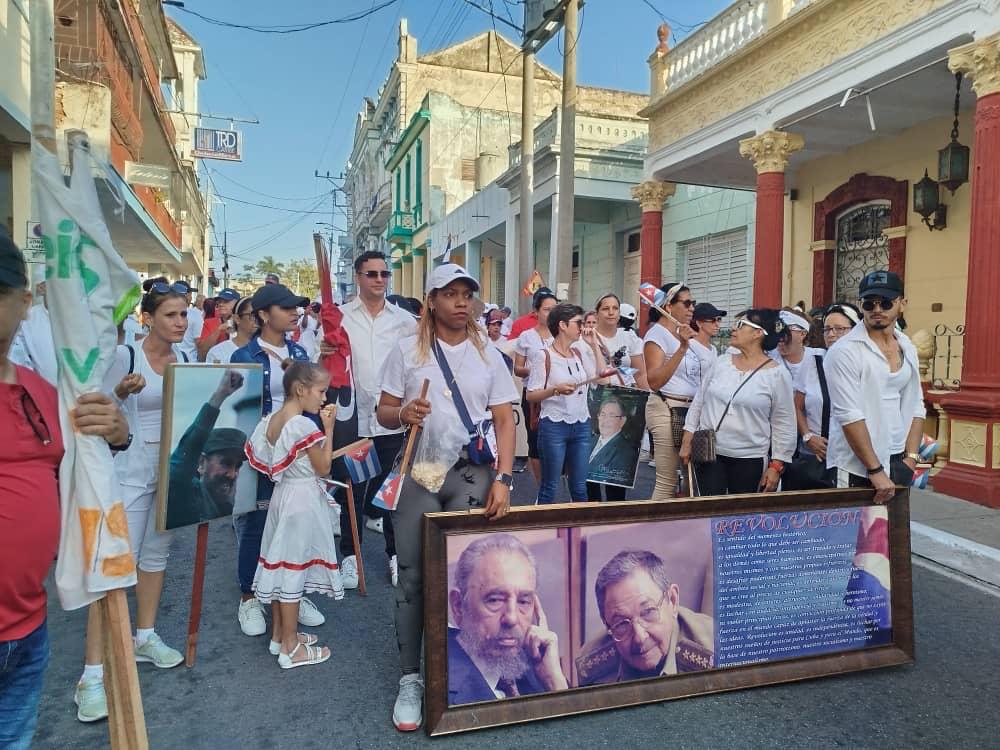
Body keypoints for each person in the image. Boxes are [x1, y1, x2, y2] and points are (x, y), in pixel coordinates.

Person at [0, 232, 130, 748]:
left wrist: (115, 430)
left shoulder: (42, 394)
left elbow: (83, 462)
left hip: (27, 633)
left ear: (23, 300)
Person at [375, 263, 516, 731]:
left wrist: (505, 478)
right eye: (450, 293)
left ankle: (451, 673)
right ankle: (411, 678)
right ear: (431, 300)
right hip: (419, 471)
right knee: (413, 575)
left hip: (471, 474)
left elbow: (504, 419)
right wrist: (405, 412)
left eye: (467, 294)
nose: (461, 302)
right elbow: (384, 410)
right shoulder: (406, 350)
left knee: (462, 579)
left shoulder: (488, 353)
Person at [75, 278, 193, 723]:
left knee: (156, 557)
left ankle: (145, 636)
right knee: (112, 569)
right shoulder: (124, 356)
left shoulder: (186, 358)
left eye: (184, 314)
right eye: (171, 315)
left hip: (170, 471)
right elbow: (95, 408)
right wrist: (121, 393)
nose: (180, 322)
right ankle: (91, 675)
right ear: (148, 319)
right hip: (127, 472)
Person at [231, 284, 323, 638]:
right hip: (261, 455)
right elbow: (236, 408)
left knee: (294, 524)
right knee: (258, 522)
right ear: (264, 314)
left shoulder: (300, 350)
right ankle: (250, 595)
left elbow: (312, 399)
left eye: (296, 308)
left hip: (297, 455)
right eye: (286, 308)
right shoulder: (244, 357)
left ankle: (293, 596)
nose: (294, 313)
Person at [246, 362, 344, 668]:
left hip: (283, 496)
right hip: (300, 499)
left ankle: (279, 636)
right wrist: (329, 428)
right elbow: (324, 467)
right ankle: (291, 647)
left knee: (281, 564)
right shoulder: (303, 425)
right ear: (300, 389)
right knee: (293, 569)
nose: (324, 398)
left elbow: (264, 459)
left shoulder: (274, 419)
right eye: (321, 391)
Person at [339, 250, 417, 588]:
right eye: (372, 274)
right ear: (358, 277)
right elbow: (319, 364)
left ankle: (395, 554)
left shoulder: (404, 321)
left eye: (384, 274)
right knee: (353, 493)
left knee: (391, 493)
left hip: (391, 421)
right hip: (354, 422)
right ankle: (349, 555)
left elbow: (416, 364)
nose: (379, 280)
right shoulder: (338, 318)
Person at [824, 271, 925, 503]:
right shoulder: (844, 351)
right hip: (856, 466)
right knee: (852, 536)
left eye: (886, 302)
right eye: (870, 303)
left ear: (902, 304)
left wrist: (910, 458)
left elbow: (916, 404)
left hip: (898, 458)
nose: (877, 309)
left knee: (891, 536)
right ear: (861, 306)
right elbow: (849, 416)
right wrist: (875, 470)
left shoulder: (906, 345)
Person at [680, 309, 797, 495]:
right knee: (707, 513)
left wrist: (776, 465)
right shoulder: (722, 363)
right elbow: (699, 402)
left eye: (741, 325)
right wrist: (687, 440)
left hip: (750, 459)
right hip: (710, 453)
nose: (733, 329)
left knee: (741, 518)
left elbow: (784, 423)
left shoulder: (777, 375)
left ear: (758, 333)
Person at [447, 534, 568, 704]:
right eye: (495, 600)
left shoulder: (537, 665)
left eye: (524, 601)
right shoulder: (439, 686)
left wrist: (554, 683)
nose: (511, 618)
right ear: (458, 606)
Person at [576, 550, 715, 686]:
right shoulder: (592, 664)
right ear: (607, 624)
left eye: (648, 612)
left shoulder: (717, 649)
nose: (639, 637)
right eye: (621, 624)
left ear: (672, 600)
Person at [525, 303, 610, 504]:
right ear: (562, 325)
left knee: (580, 487)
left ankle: (580, 532)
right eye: (578, 323)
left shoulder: (578, 353)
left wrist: (594, 345)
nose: (583, 327)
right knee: (550, 486)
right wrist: (556, 389)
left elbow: (603, 379)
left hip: (581, 424)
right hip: (554, 425)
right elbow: (531, 395)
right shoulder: (544, 355)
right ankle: (542, 531)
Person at [784, 302, 861, 490]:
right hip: (814, 456)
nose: (832, 335)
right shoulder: (813, 360)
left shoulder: (866, 365)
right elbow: (797, 406)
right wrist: (808, 436)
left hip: (851, 457)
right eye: (827, 329)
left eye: (840, 329)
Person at [165, 370, 248, 529]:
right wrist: (219, 396)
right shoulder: (187, 494)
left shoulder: (227, 506)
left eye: (237, 466)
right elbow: (185, 457)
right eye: (226, 463)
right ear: (201, 463)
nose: (232, 474)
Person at [642, 282, 700, 500]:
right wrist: (682, 348)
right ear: (668, 306)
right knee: (667, 480)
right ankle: (652, 532)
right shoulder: (656, 334)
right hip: (666, 408)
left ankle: (677, 530)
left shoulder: (684, 333)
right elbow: (654, 380)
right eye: (686, 303)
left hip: (689, 410)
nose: (691, 308)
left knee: (690, 479)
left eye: (693, 303)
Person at [513, 288, 558, 484]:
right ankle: (542, 487)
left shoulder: (564, 333)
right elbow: (518, 368)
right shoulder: (527, 337)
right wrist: (539, 370)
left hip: (559, 395)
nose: (552, 314)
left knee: (558, 440)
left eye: (555, 309)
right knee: (535, 440)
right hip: (534, 396)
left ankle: (556, 482)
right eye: (547, 309)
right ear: (536, 311)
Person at [9, 273, 57, 387]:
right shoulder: (25, 320)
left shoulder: (81, 318)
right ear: (42, 287)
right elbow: (18, 363)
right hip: (39, 397)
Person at [593, 294, 647, 390]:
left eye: (615, 308)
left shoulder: (629, 337)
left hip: (625, 395)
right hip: (597, 396)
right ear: (596, 314)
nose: (611, 312)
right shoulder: (586, 339)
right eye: (605, 309)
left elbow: (640, 374)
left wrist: (646, 397)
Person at [587, 396, 638, 492]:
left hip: (610, 498)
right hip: (587, 499)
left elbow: (618, 479)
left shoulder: (626, 451)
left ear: (622, 421)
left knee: (614, 493)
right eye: (603, 415)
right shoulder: (590, 441)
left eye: (612, 416)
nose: (606, 420)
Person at [205, 297, 257, 364]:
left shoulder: (268, 351)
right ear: (237, 318)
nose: (257, 320)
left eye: (259, 315)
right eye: (252, 315)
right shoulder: (217, 352)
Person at [196, 288, 240, 361]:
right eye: (219, 302)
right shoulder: (209, 323)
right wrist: (219, 329)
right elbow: (202, 354)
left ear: (237, 303)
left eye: (226, 301)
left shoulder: (244, 323)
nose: (221, 304)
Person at [689, 302, 725, 370]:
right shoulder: (689, 346)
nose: (717, 324)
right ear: (699, 323)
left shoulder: (713, 349)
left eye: (719, 319)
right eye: (712, 320)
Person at [176, 281, 203, 363]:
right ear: (186, 295)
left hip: (171, 361)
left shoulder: (165, 313)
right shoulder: (195, 315)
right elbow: (198, 342)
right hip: (190, 363)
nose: (191, 297)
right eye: (190, 294)